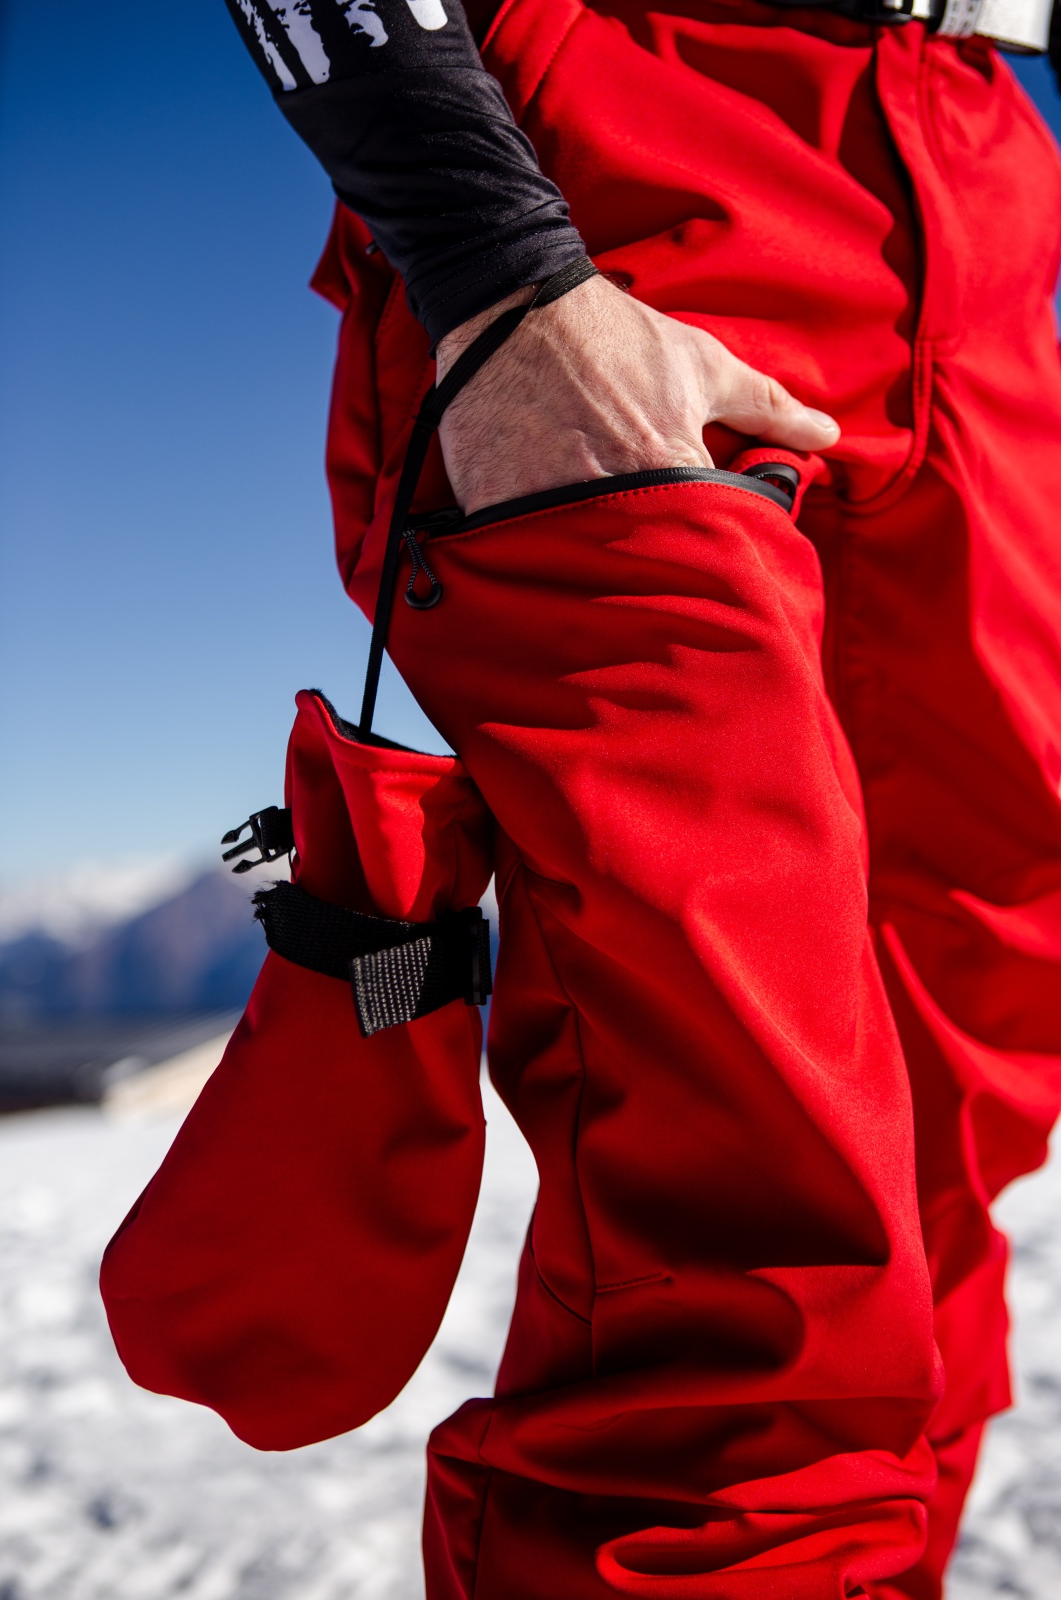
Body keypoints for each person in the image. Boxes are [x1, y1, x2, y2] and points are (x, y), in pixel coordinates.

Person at [225, 2, 1061, 1594]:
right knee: (739, 1224)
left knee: (958, 1124)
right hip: (626, 147)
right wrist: (496, 271)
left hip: (988, 186)